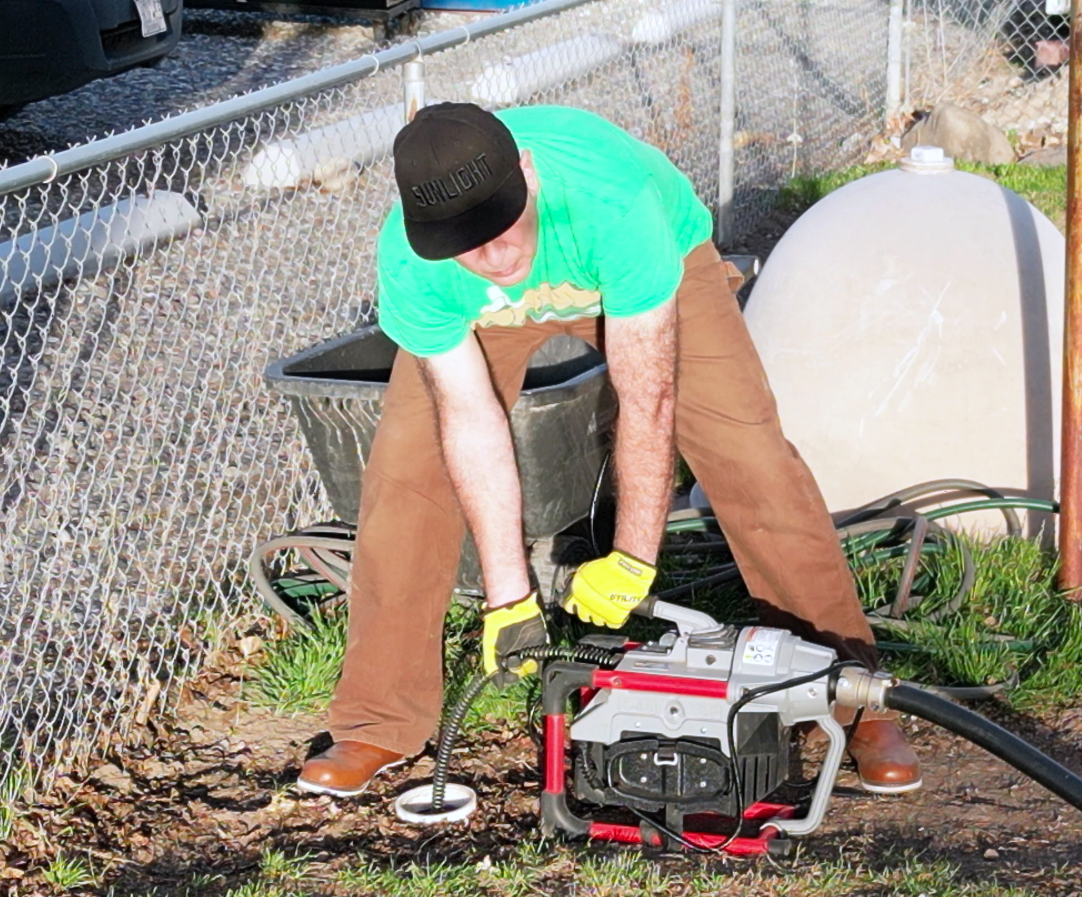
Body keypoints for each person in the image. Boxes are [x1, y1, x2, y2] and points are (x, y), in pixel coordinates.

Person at [296, 102, 923, 798]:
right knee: (406, 476)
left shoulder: (613, 204)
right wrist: (508, 598)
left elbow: (646, 398)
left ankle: (851, 697)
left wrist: (631, 560)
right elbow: (470, 421)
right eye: (469, 246)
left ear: (527, 174)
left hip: (640, 272)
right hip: (493, 320)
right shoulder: (419, 265)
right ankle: (380, 720)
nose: (499, 262)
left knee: (749, 457)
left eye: (504, 229)